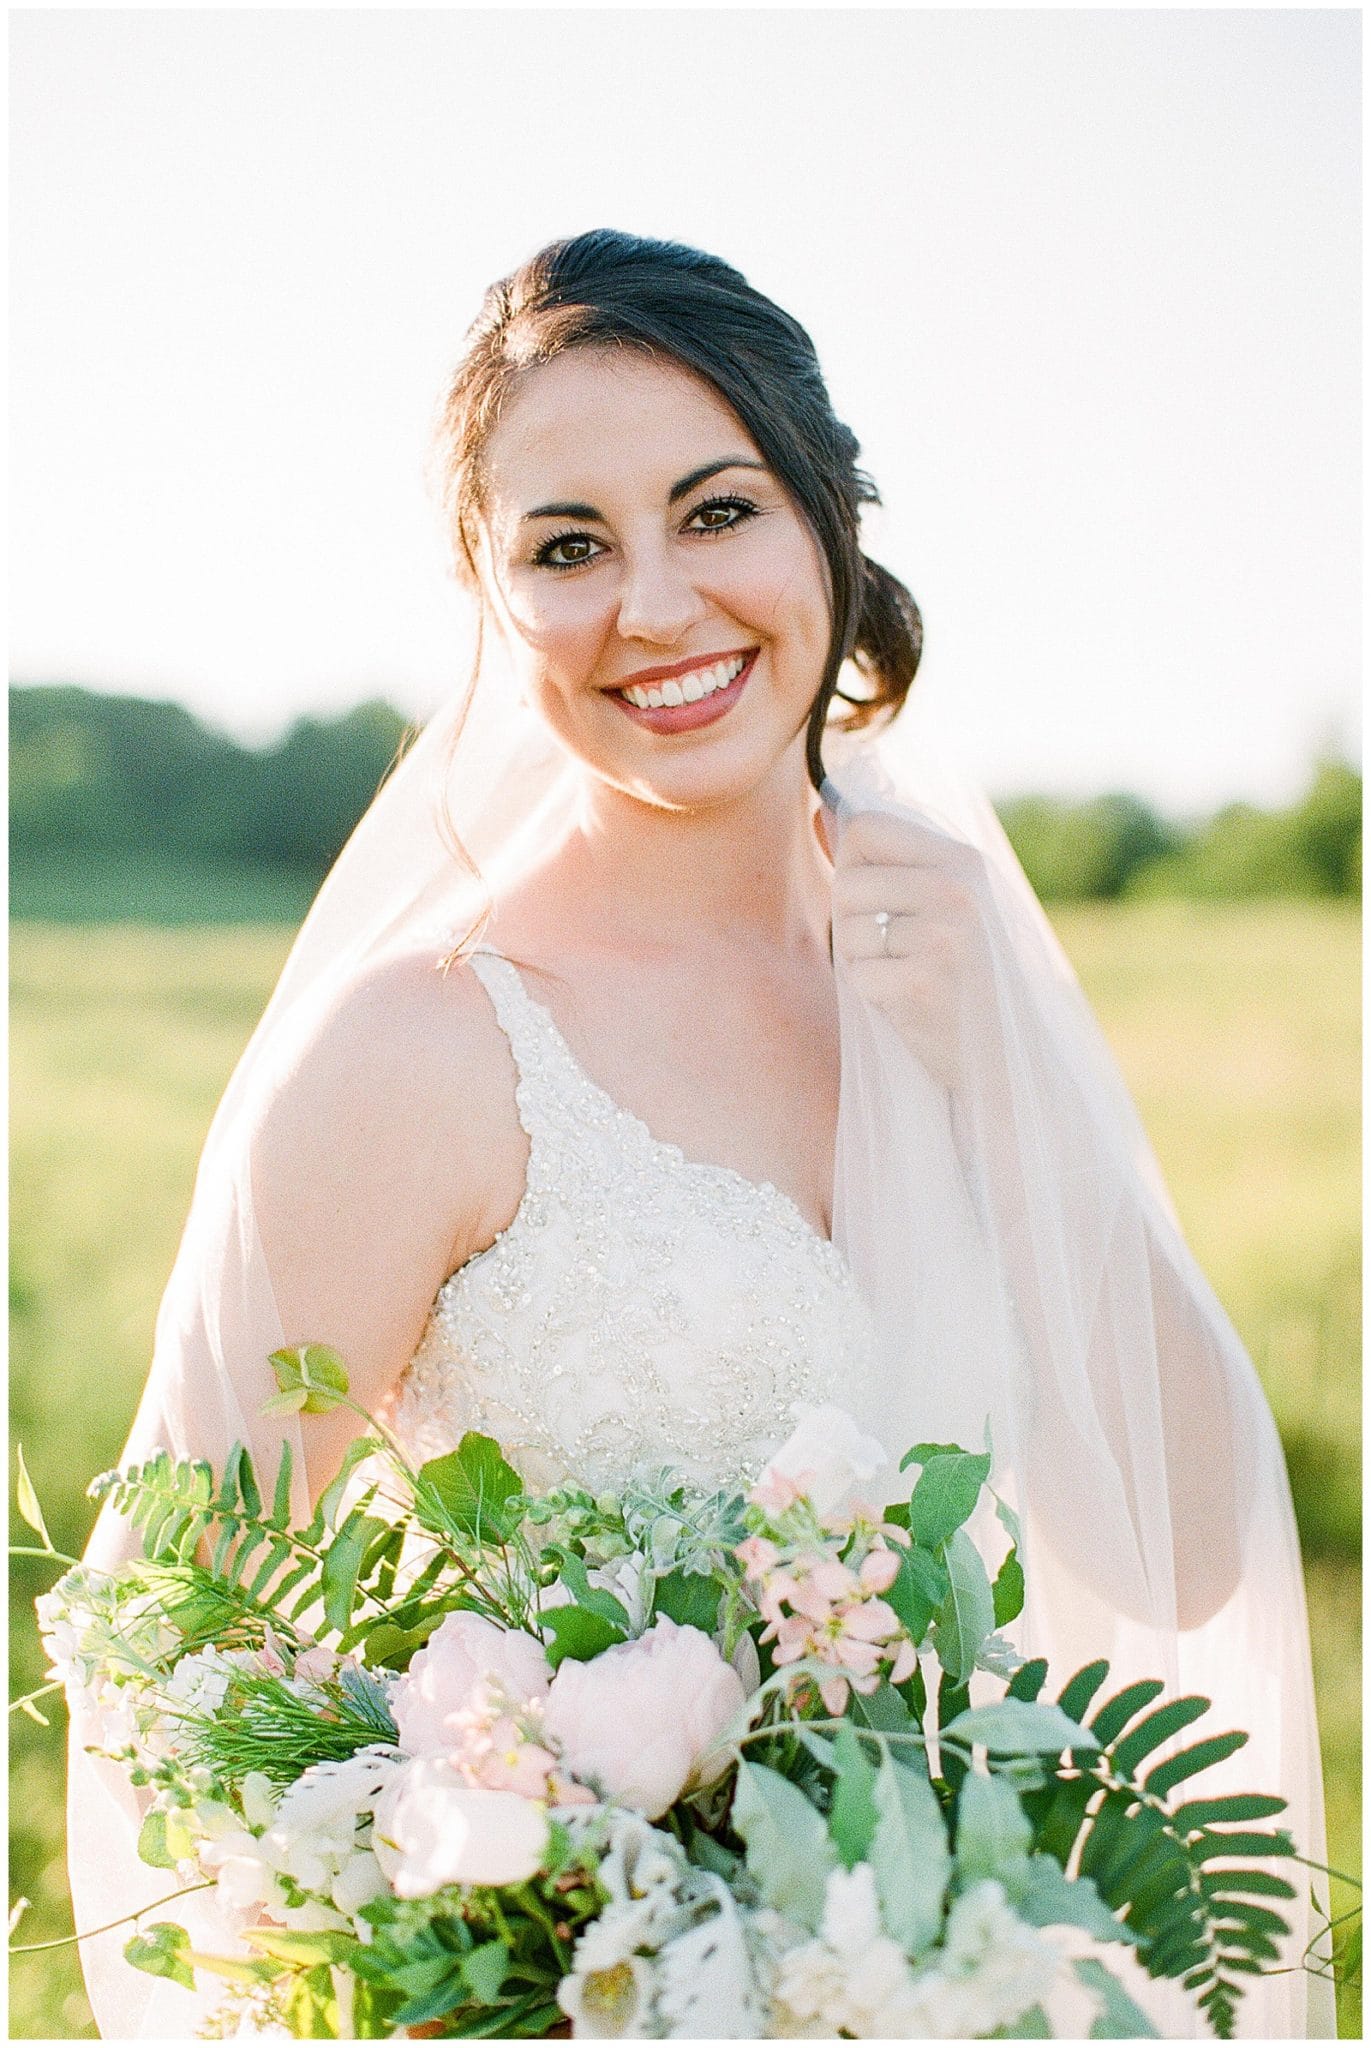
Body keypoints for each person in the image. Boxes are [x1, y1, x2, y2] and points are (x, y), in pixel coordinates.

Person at [69, 230, 1331, 2038]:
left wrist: (995, 1081)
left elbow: (1193, 1552)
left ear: (828, 521)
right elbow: (166, 1651)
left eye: (716, 511)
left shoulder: (952, 982)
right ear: (491, 604)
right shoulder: (425, 1051)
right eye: (568, 547)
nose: (653, 607)